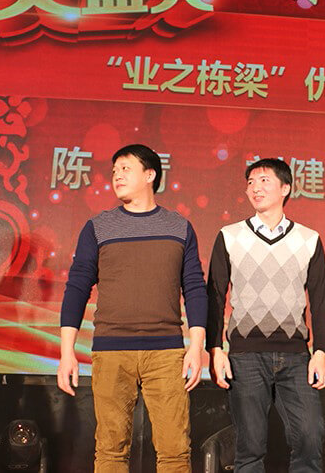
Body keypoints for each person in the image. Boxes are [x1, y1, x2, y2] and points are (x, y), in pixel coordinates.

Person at [56, 144, 208, 473]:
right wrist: (67, 352)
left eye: (126, 168)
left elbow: (195, 287)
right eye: (114, 171)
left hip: (166, 352)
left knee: (175, 450)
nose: (117, 176)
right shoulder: (98, 227)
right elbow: (78, 287)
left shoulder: (179, 226)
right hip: (111, 350)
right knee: (110, 450)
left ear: (150, 175)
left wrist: (196, 348)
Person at [207, 158, 325, 472]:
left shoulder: (308, 239)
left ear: (285, 188)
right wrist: (216, 350)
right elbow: (215, 295)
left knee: (310, 436)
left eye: (264, 180)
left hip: (296, 356)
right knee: (249, 447)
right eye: (250, 182)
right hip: (245, 355)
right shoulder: (230, 236)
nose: (255, 188)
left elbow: (319, 300)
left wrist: (320, 352)